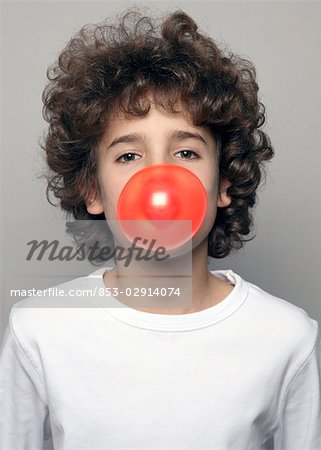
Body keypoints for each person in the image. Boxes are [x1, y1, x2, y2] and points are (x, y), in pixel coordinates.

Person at [0, 7, 320, 450]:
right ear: (93, 189)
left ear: (223, 180)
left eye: (187, 153)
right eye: (128, 156)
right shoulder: (38, 330)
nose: (160, 180)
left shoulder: (288, 338)